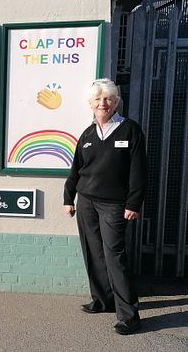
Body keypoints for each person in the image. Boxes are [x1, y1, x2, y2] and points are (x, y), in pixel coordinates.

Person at [63, 78, 147, 335]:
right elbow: (76, 169)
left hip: (114, 204)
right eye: (98, 100)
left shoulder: (129, 130)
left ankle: (129, 316)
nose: (103, 103)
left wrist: (133, 202)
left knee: (114, 255)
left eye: (108, 99)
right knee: (93, 251)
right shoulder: (87, 134)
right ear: (91, 104)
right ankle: (103, 300)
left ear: (116, 102)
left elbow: (139, 170)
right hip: (86, 200)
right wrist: (68, 198)